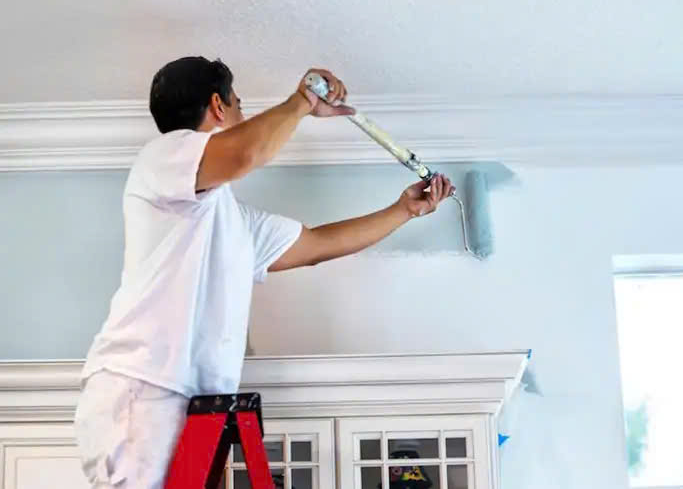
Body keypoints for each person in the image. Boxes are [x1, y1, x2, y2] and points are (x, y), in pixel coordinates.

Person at [74, 56, 454, 488]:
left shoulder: (233, 223)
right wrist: (302, 101)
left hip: (195, 407)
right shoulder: (161, 158)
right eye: (239, 104)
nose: (243, 115)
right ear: (218, 106)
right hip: (144, 389)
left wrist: (403, 210)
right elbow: (244, 152)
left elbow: (318, 245)